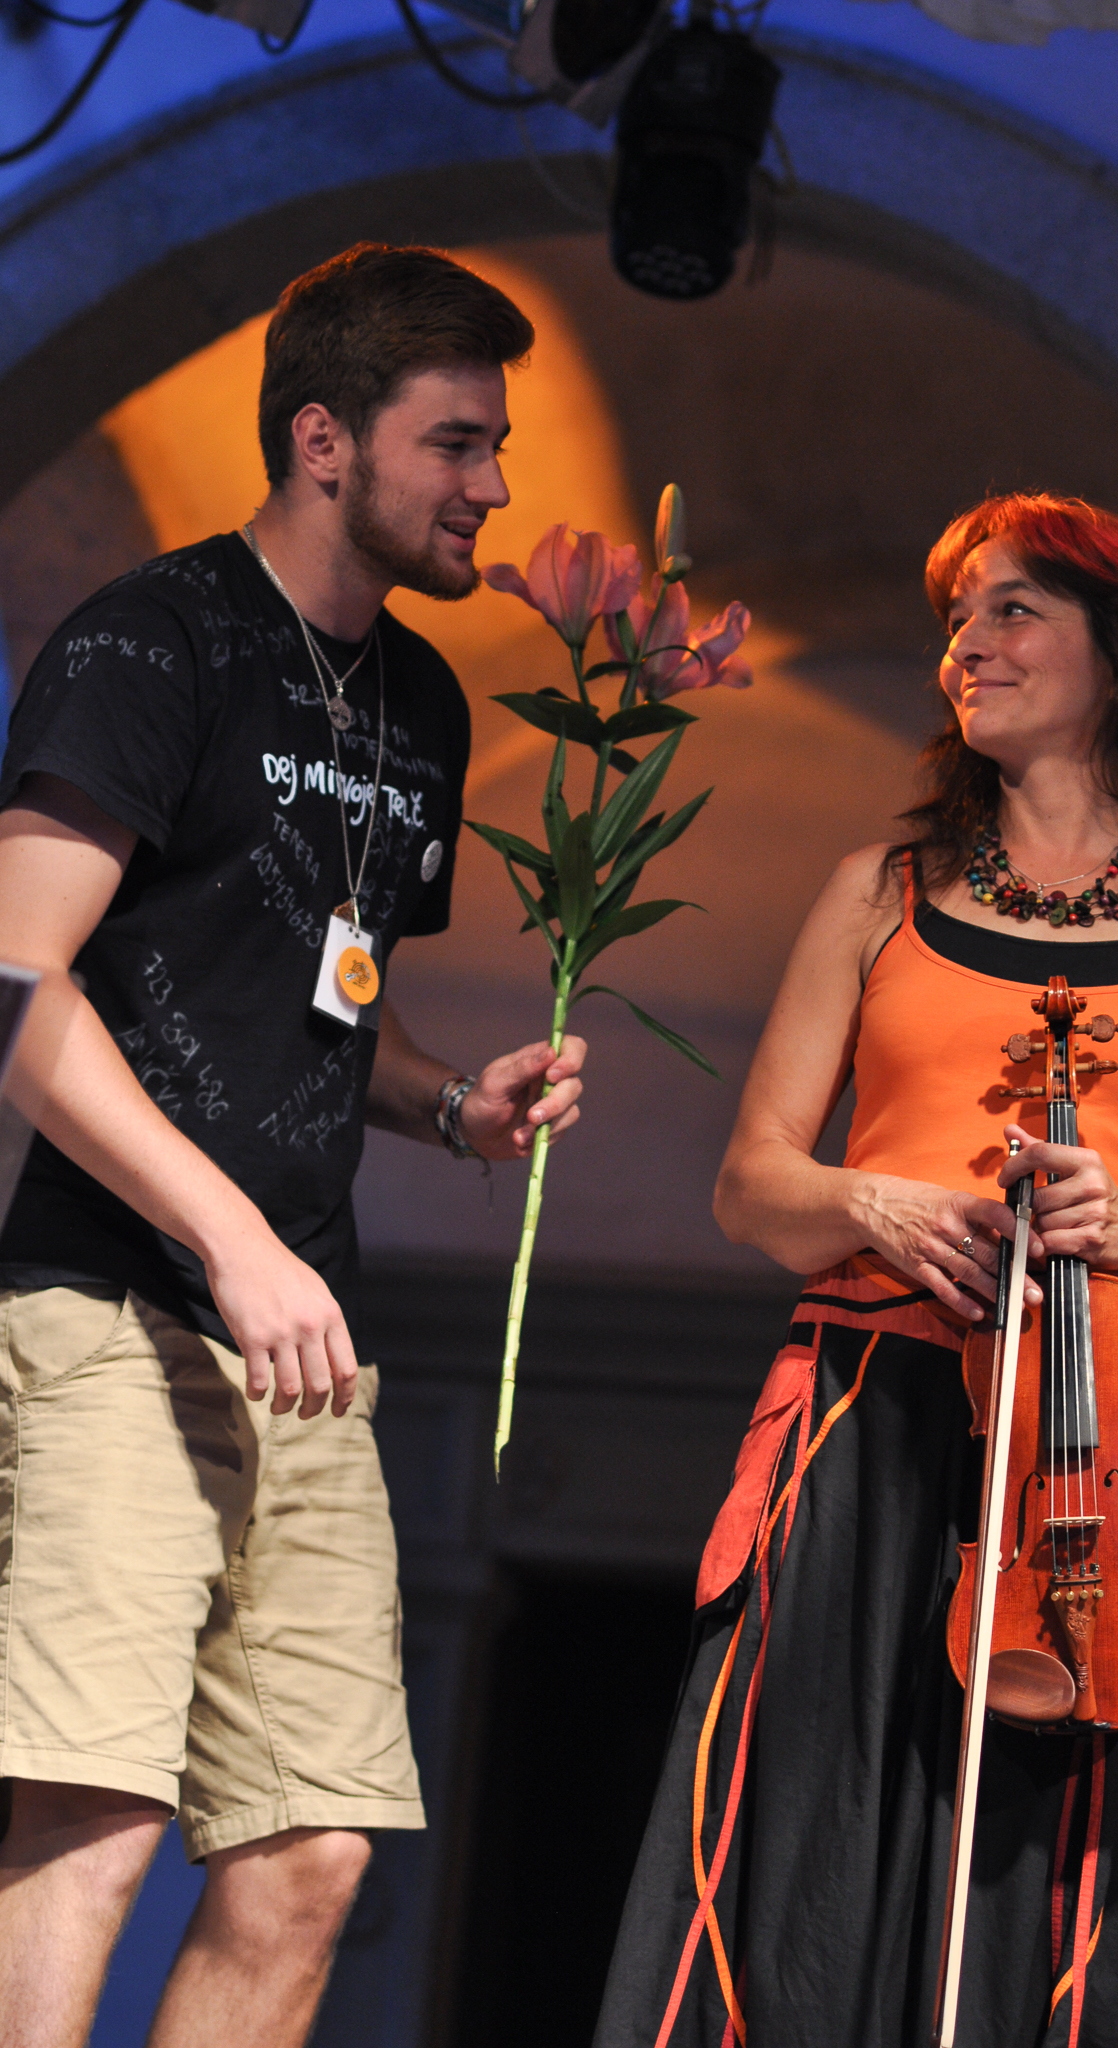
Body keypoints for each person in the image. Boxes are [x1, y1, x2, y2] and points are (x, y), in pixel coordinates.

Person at [593, 493, 1118, 2048]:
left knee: (1036, 1894)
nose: (969, 643)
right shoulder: (876, 891)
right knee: (808, 1857)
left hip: (1079, 1456)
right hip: (864, 1426)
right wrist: (875, 1203)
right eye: (958, 618)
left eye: (1014, 607)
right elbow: (752, 1186)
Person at [0, 243, 586, 2048]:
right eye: (457, 443)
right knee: (94, 1817)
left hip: (297, 1339)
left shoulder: (423, 705)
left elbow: (330, 1004)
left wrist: (452, 1104)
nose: (494, 485)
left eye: (496, 446)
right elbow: (16, 982)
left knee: (310, 1855)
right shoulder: (151, 641)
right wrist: (229, 1237)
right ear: (324, 439)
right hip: (115, 1305)